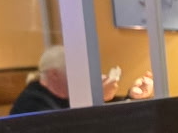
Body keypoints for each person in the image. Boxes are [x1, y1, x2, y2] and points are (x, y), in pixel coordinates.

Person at [11, 44, 151, 113]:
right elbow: (70, 131)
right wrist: (96, 98)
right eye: (76, 70)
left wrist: (133, 97)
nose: (82, 75)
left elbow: (113, 112)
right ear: (54, 74)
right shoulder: (32, 102)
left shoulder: (72, 93)